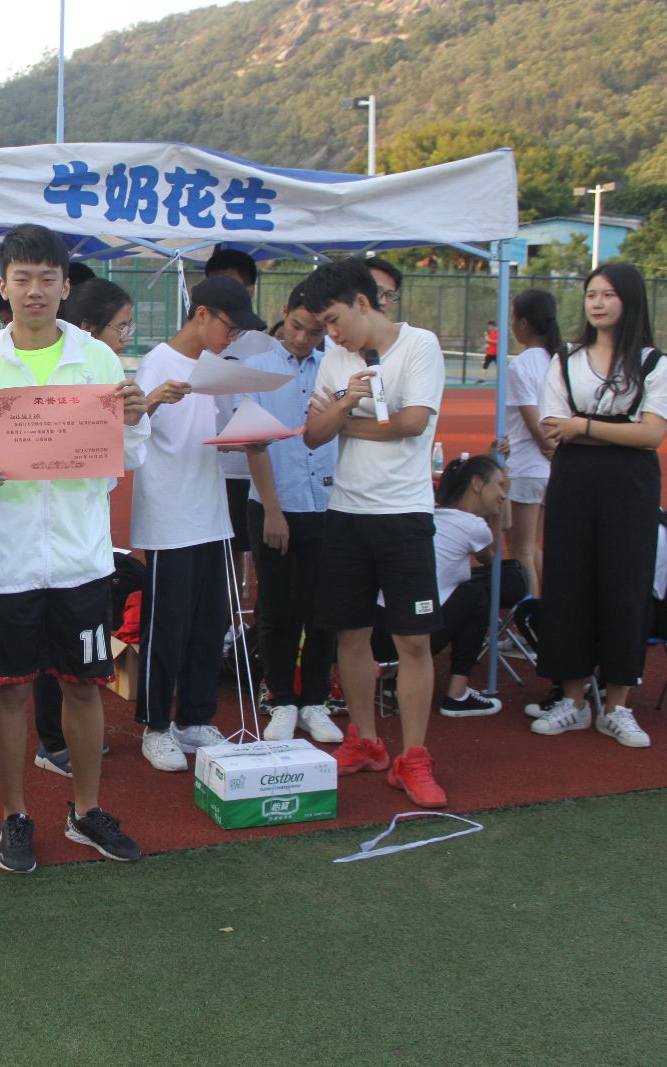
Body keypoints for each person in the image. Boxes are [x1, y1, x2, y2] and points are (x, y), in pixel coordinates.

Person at [0, 224, 150, 871]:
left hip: (80, 560)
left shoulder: (98, 360)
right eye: (22, 278)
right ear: (4, 286)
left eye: (47, 278)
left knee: (85, 689)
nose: (34, 290)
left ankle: (86, 810)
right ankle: (15, 815)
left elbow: (126, 459)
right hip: (7, 563)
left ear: (66, 286)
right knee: (9, 693)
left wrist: (136, 420)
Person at [302, 257, 449, 808]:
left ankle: (414, 756)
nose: (331, 333)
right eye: (323, 325)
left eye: (335, 320)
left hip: (404, 514)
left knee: (414, 640)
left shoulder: (420, 345)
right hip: (346, 511)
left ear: (363, 303)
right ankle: (365, 741)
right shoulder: (334, 358)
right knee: (350, 633)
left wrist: (348, 419)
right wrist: (346, 401)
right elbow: (314, 435)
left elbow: (414, 422)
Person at [530, 262, 667, 748]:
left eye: (608, 294)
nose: (597, 303)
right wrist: (615, 430)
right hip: (574, 480)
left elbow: (652, 434)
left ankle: (617, 706)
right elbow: (554, 427)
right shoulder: (566, 360)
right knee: (568, 583)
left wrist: (585, 426)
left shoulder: (653, 363)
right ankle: (572, 701)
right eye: (592, 294)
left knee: (625, 586)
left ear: (629, 301)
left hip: (630, 484)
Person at [131, 276, 267, 771]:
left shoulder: (215, 370)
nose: (232, 338)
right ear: (202, 313)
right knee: (167, 626)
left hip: (212, 512)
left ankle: (195, 718)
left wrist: (248, 438)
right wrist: (151, 400)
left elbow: (211, 433)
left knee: (209, 624)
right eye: (230, 327)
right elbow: (126, 431)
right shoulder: (157, 364)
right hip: (170, 516)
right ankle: (155, 725)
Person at [27, 277, 135, 777]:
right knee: (22, 676)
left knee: (80, 672)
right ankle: (51, 744)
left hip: (82, 550)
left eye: (129, 327)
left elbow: (127, 458)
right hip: (19, 555)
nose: (125, 337)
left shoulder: (105, 370)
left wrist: (134, 417)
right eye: (120, 327)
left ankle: (81, 786)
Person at [243, 286, 343, 743]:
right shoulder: (258, 367)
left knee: (323, 609)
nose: (302, 338)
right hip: (274, 505)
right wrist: (273, 510)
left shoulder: (334, 367)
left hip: (326, 505)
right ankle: (281, 699)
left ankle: (316, 701)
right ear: (284, 313)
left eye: (315, 331)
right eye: (297, 326)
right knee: (276, 608)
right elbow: (254, 442)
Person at [203, 249, 280, 596]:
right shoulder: (199, 343)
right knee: (221, 551)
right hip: (214, 467)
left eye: (232, 286)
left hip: (256, 469)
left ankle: (253, 618)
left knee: (264, 550)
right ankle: (227, 617)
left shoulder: (267, 347)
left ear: (250, 290)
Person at [424, 453, 514, 717]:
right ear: (477, 484)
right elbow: (490, 557)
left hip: (385, 628)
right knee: (476, 595)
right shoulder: (472, 526)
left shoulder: (432, 514)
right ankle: (457, 692)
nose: (503, 495)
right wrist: (497, 515)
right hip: (419, 634)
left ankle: (395, 679)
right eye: (499, 486)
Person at [503, 289, 561, 598]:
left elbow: (532, 418)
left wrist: (547, 446)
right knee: (533, 547)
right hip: (548, 468)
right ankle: (546, 612)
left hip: (526, 466)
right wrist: (556, 452)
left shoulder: (521, 365)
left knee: (520, 550)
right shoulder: (559, 360)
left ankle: (531, 618)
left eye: (513, 318)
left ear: (524, 323)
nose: (512, 325)